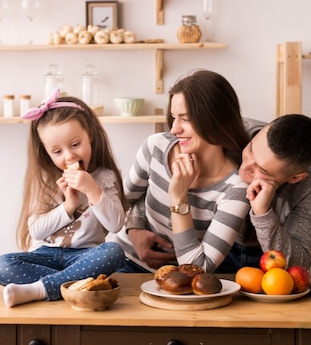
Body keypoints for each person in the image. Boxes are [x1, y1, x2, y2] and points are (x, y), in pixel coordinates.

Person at [0, 88, 128, 307]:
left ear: (90, 135)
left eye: (75, 144)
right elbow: (37, 231)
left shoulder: (104, 177)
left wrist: (92, 190)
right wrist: (69, 205)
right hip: (45, 255)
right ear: (46, 151)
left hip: (85, 256)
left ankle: (39, 289)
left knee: (114, 253)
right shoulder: (44, 178)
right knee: (2, 265)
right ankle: (74, 281)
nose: (69, 156)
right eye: (57, 152)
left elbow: (115, 225)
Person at [108, 69, 251, 273]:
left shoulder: (236, 187)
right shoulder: (156, 147)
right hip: (125, 261)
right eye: (174, 117)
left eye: (185, 119)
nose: (174, 129)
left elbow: (199, 267)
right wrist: (134, 229)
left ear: (216, 119)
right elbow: (120, 203)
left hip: (182, 279)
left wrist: (178, 198)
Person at [221, 115, 311, 271]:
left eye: (262, 170)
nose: (245, 168)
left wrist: (263, 214)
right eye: (250, 150)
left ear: (295, 178)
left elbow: (300, 262)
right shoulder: (235, 130)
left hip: (272, 262)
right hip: (217, 247)